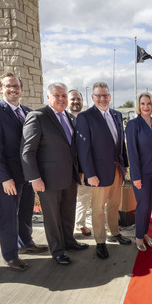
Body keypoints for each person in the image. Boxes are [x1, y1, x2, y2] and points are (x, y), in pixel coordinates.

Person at [0, 73, 47, 273]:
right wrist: (4, 179)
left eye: (16, 86)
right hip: (8, 178)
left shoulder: (27, 112)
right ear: (1, 88)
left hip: (27, 175)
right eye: (8, 86)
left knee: (25, 211)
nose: (13, 89)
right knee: (8, 216)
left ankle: (25, 242)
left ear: (21, 89)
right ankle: (10, 255)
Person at [21, 83, 88, 266]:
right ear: (48, 98)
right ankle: (58, 251)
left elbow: (72, 148)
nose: (61, 99)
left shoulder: (69, 117)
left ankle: (69, 241)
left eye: (64, 96)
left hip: (69, 177)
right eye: (57, 95)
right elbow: (27, 151)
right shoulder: (37, 117)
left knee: (68, 212)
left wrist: (79, 171)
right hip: (47, 179)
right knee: (52, 217)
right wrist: (34, 178)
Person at [76, 82, 131, 259]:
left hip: (117, 169)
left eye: (105, 95)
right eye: (98, 96)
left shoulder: (116, 114)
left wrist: (126, 165)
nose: (102, 99)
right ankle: (100, 241)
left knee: (114, 205)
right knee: (98, 208)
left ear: (109, 96)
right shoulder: (85, 117)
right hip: (98, 173)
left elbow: (120, 142)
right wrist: (89, 174)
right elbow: (83, 149)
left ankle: (114, 233)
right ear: (92, 98)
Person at [125, 93, 152, 251]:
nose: (146, 107)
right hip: (141, 173)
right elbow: (132, 153)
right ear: (138, 106)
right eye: (143, 104)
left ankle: (145, 232)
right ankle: (139, 237)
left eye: (148, 103)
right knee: (142, 205)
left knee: (150, 206)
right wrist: (136, 177)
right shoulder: (133, 124)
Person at [67, 89, 92, 237]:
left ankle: (80, 224)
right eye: (73, 99)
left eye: (78, 99)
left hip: (85, 167)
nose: (76, 102)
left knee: (84, 197)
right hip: (67, 168)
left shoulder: (87, 118)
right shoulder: (62, 118)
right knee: (68, 199)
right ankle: (66, 229)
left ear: (83, 101)